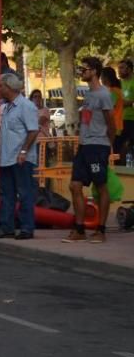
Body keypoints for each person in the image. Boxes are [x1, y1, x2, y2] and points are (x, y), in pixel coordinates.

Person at [63, 57, 116, 243]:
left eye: (84, 69)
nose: (81, 72)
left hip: (98, 145)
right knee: (75, 185)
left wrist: (109, 143)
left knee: (100, 186)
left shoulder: (104, 94)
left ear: (94, 71)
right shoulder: (88, 95)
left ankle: (101, 230)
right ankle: (80, 229)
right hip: (84, 145)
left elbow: (111, 122)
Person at [0, 74, 39, 240]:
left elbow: (33, 130)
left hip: (20, 157)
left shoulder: (26, 106)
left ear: (9, 87)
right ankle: (7, 227)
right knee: (6, 194)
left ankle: (26, 228)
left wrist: (24, 152)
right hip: (7, 157)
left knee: (24, 193)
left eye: (1, 86)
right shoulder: (8, 106)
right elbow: (11, 128)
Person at [101, 66, 125, 155]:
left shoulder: (113, 91)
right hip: (115, 126)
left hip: (113, 127)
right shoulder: (115, 90)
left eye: (101, 77)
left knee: (111, 154)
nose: (101, 80)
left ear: (106, 78)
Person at [119, 59, 134, 157]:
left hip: (132, 121)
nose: (119, 70)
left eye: (122, 68)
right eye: (118, 68)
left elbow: (130, 102)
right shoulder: (119, 83)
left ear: (129, 69)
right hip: (120, 120)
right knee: (118, 147)